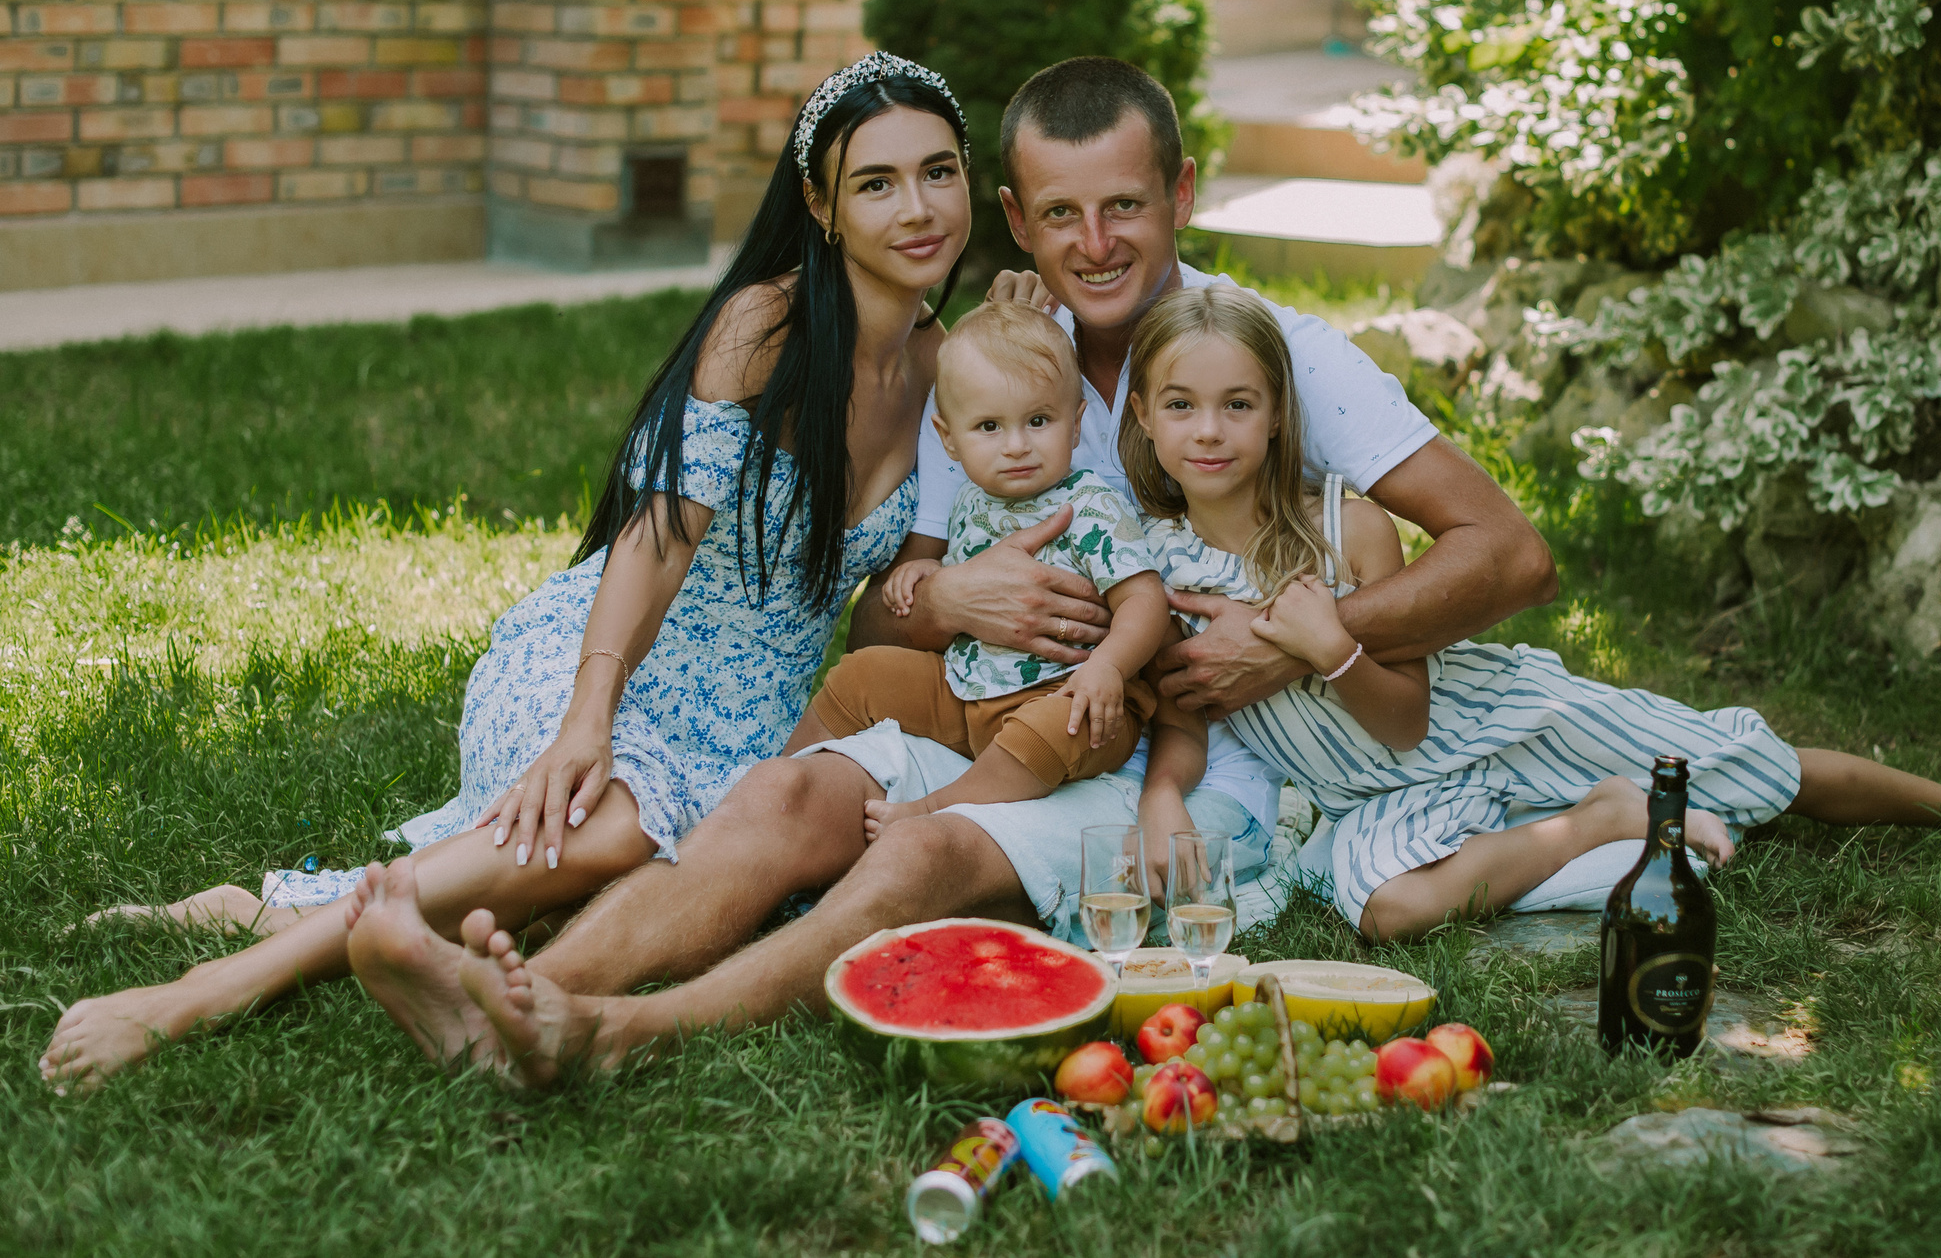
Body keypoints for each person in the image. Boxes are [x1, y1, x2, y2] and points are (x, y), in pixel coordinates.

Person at [342, 55, 1560, 1084]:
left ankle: (612, 1032)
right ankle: (517, 1006)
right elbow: (891, 589)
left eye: (1125, 207)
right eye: (1062, 215)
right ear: (1016, 220)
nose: (1096, 245)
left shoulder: (1259, 357)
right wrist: (943, 598)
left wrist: (1291, 633)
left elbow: (1507, 553)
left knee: (912, 853)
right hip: (992, 704)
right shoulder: (985, 365)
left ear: (1181, 195)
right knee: (780, 798)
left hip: (1175, 760)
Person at [38, 54, 973, 1090]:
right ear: (821, 205)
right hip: (610, 660)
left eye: (939, 172)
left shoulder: (953, 377)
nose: (917, 207)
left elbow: (888, 624)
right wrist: (587, 718)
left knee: (632, 876)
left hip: (759, 732)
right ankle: (201, 995)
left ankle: (281, 910)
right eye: (876, 182)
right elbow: (652, 542)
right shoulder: (767, 325)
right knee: (611, 826)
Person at [1122, 283, 1941, 942]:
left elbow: (1405, 719)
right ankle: (1593, 823)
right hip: (1379, 799)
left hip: (1487, 726)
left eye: (1238, 404)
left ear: (1278, 412)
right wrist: (1163, 797)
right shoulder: (1152, 567)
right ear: (1143, 419)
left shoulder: (1349, 527)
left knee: (1755, 768)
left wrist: (1330, 647)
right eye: (1180, 406)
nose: (1209, 430)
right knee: (1388, 912)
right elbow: (1183, 717)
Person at [803, 297, 1196, 831]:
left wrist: (1109, 667)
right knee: (862, 675)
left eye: (1038, 421)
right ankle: (780, 779)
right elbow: (962, 578)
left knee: (1055, 727)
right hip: (966, 688)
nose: (1016, 446)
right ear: (949, 439)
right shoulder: (969, 502)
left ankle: (932, 811)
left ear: (1075, 424)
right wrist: (927, 575)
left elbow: (1145, 600)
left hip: (1074, 695)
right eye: (989, 427)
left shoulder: (1088, 503)